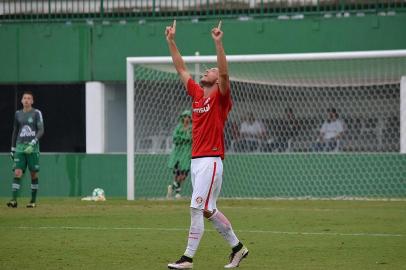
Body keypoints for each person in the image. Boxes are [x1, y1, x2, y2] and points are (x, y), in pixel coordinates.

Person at [165, 20, 249, 269]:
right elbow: (181, 69)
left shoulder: (221, 97)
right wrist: (171, 41)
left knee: (195, 207)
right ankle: (238, 249)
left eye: (210, 69)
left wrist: (218, 42)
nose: (207, 71)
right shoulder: (197, 93)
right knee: (207, 210)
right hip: (196, 161)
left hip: (211, 161)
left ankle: (187, 258)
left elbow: (224, 72)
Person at [7, 91, 44, 208]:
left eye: (29, 98)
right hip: (20, 147)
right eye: (25, 98)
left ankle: (32, 201)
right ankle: (13, 200)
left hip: (32, 148)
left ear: (32, 101)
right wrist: (13, 148)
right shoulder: (17, 114)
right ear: (22, 100)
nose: (26, 100)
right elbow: (15, 130)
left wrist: (33, 143)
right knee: (17, 172)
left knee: (33, 174)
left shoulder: (36, 113)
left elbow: (41, 130)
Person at [167, 110, 192, 199]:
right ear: (182, 118)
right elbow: (175, 138)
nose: (187, 119)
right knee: (178, 174)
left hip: (187, 153)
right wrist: (184, 138)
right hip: (178, 153)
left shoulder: (191, 128)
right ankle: (178, 193)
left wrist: (184, 138)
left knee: (184, 175)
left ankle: (172, 187)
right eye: (185, 116)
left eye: (189, 117)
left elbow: (191, 138)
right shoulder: (178, 127)